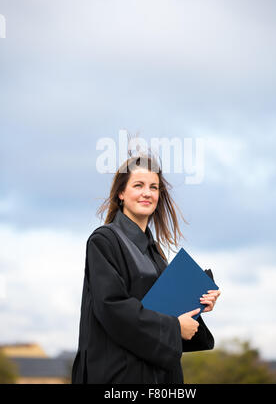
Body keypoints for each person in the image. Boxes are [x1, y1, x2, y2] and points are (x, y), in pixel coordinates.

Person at [72, 154, 220, 384]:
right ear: (121, 193)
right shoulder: (103, 241)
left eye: (154, 187)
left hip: (159, 376)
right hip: (119, 376)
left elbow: (165, 311)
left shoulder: (156, 254)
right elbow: (112, 307)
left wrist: (196, 307)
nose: (147, 193)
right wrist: (174, 327)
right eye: (138, 185)